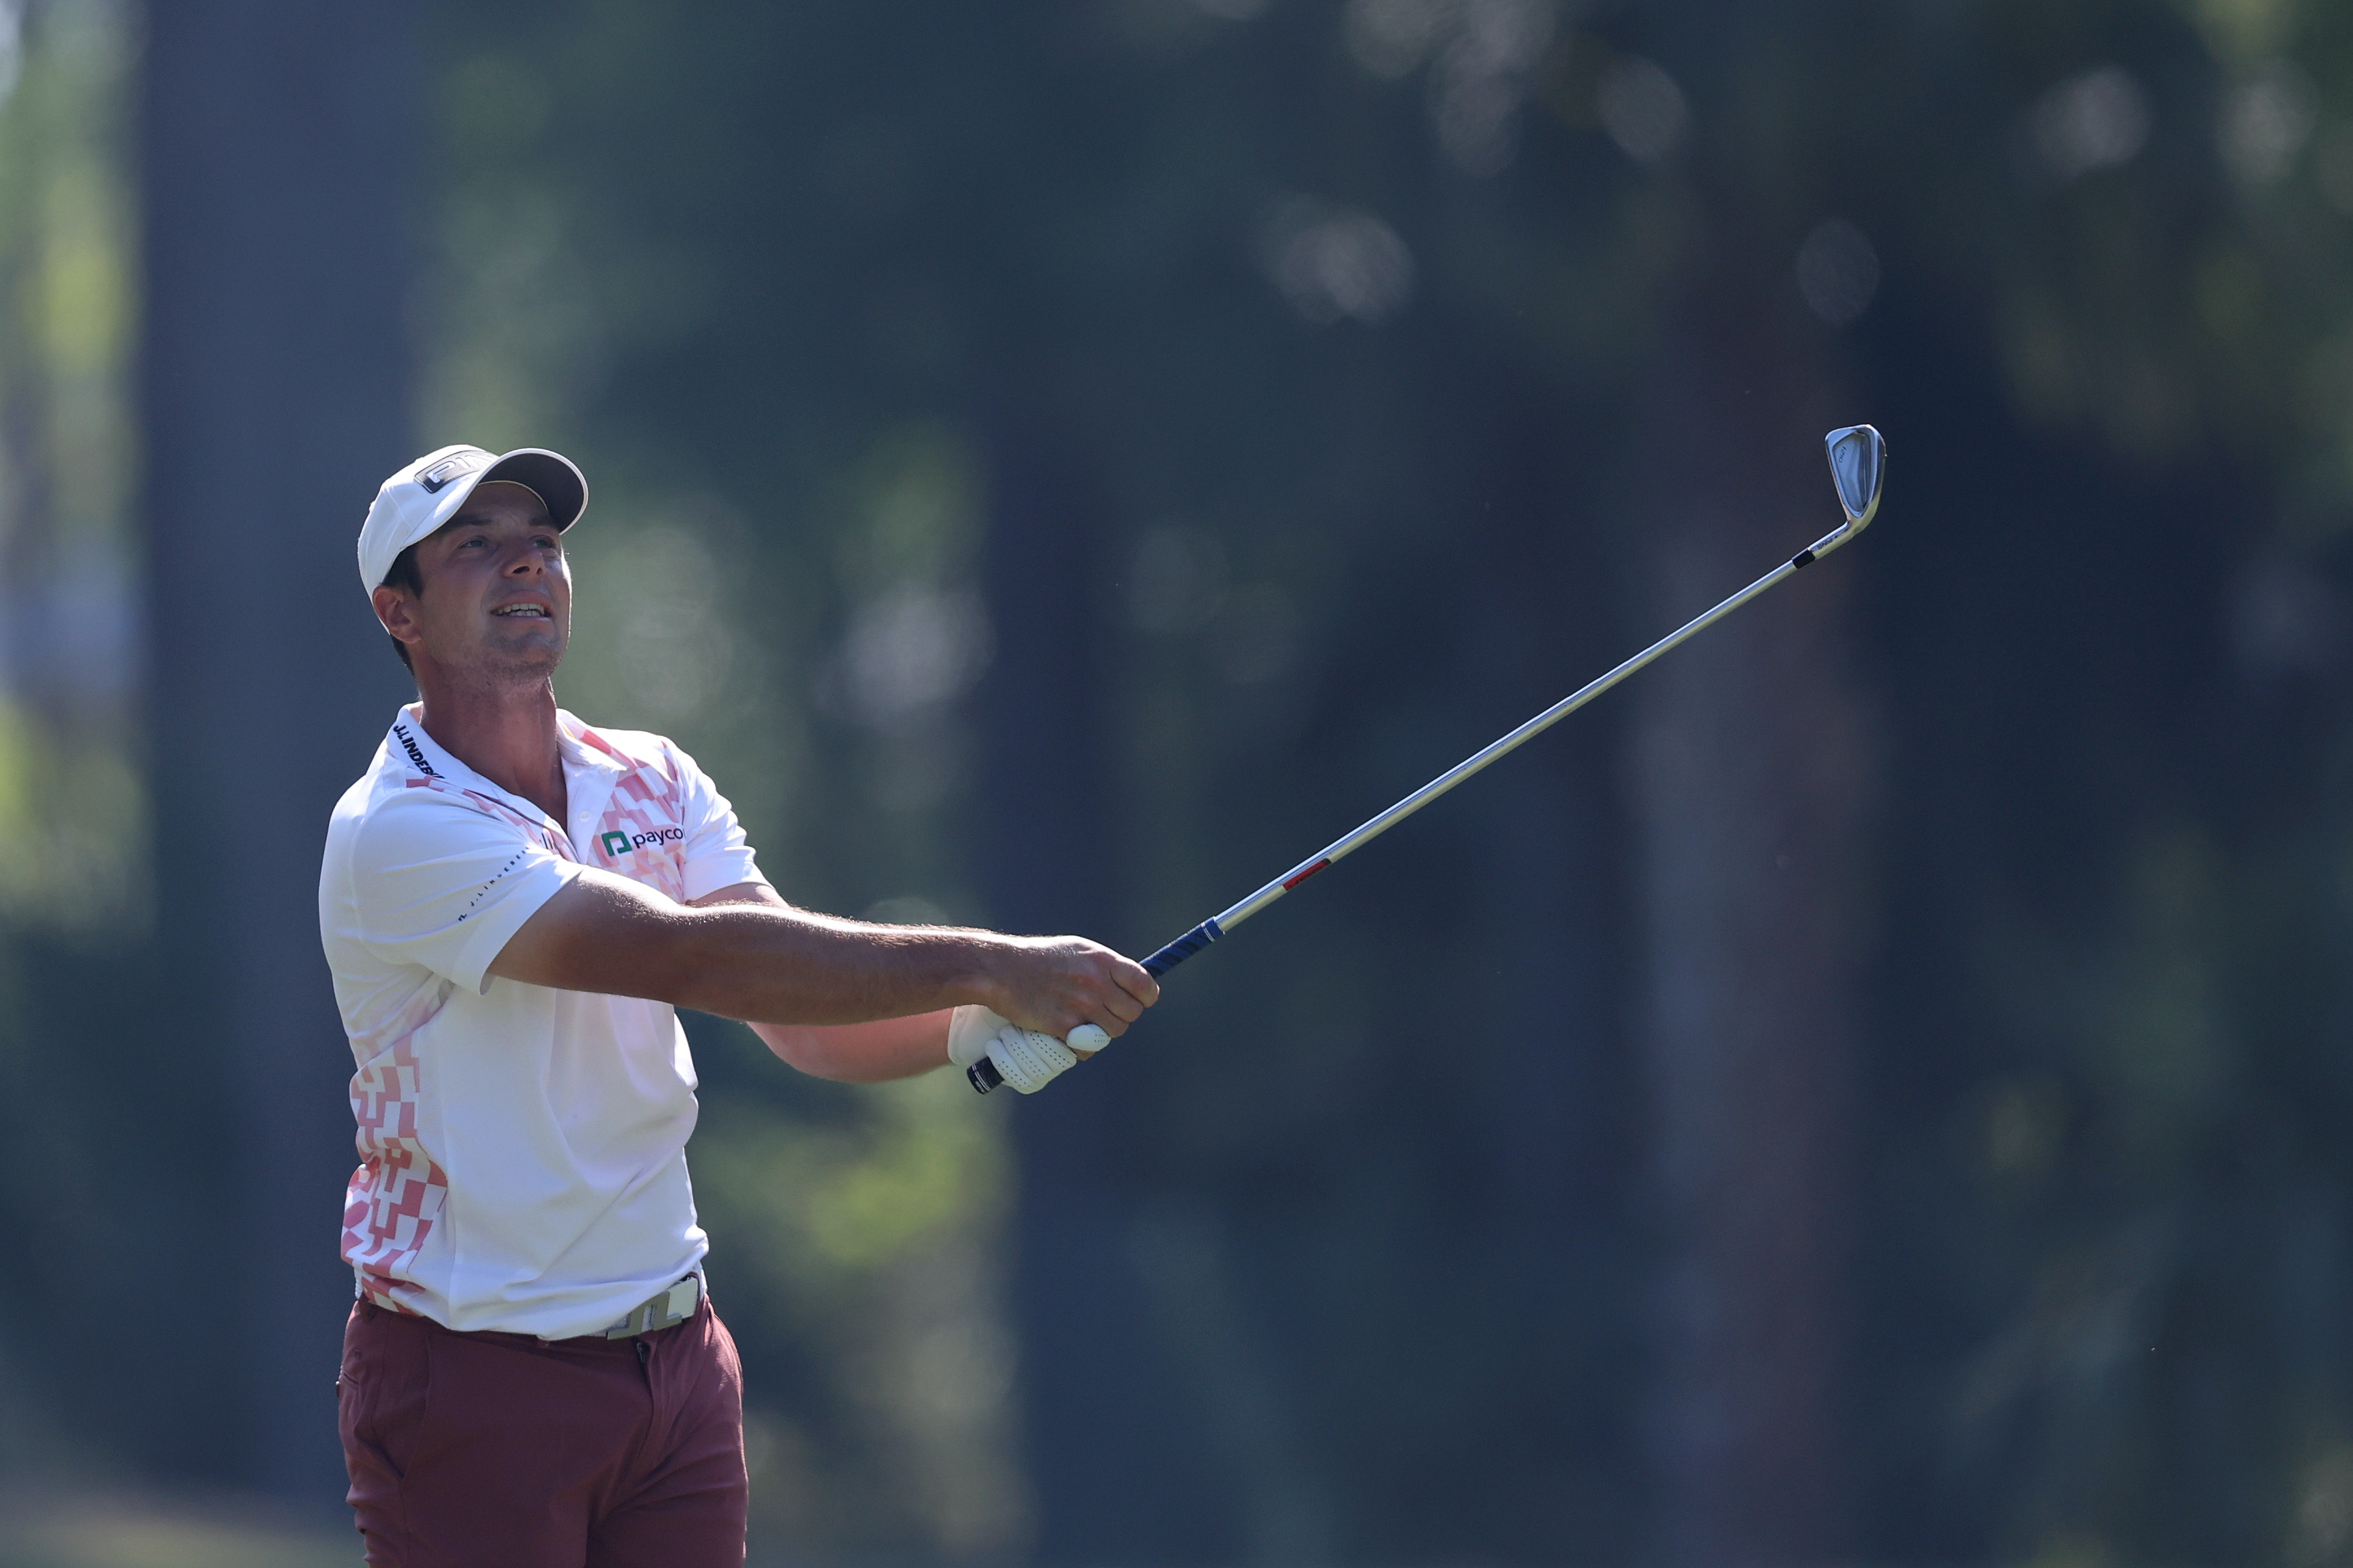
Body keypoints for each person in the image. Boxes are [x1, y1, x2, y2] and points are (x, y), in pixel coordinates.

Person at [320, 444, 1156, 1567]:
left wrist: (985, 1027)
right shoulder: (397, 828)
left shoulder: (652, 776)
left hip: (675, 1366)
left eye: (544, 543)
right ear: (399, 610)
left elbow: (802, 1018)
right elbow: (693, 960)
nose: (527, 565)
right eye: (477, 547)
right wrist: (987, 962)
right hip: (472, 1377)